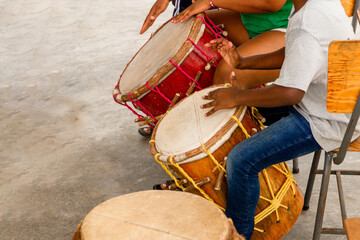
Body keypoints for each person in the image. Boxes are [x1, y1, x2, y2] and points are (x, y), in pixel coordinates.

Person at [202, 0, 358, 239]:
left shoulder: (308, 23)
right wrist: (244, 62)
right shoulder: (317, 3)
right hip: (326, 101)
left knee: (241, 160)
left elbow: (290, 92)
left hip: (327, 119)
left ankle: (239, 234)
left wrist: (238, 97)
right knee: (245, 114)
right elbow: (294, 51)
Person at [138, 0, 293, 137]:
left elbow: (272, 3)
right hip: (251, 21)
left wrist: (211, 2)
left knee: (227, 74)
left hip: (291, 32)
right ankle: (174, 118)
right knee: (188, 27)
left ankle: (236, 157)